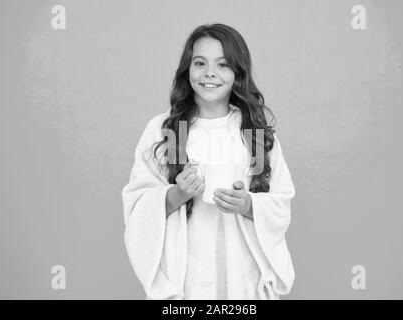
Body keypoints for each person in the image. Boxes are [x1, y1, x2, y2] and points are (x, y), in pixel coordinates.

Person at [122, 23, 296, 300]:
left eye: (223, 64)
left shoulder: (254, 132)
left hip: (243, 277)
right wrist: (178, 193)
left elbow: (280, 203)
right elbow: (138, 206)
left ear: (238, 73)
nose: (210, 73)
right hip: (186, 275)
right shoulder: (168, 130)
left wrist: (250, 204)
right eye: (199, 63)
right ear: (186, 70)